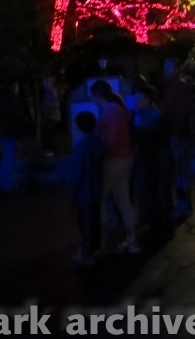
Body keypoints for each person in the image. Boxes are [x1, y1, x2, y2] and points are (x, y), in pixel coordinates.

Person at [90, 80, 139, 254]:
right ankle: (132, 240)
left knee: (99, 197)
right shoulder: (120, 110)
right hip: (126, 158)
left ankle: (104, 239)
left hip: (113, 160)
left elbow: (108, 141)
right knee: (123, 199)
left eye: (92, 96)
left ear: (97, 95)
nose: (92, 100)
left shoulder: (109, 112)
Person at [131, 86, 172, 234]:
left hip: (154, 158)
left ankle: (158, 219)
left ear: (148, 100)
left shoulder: (156, 116)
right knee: (144, 189)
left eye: (139, 99)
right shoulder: (137, 115)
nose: (136, 101)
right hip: (143, 158)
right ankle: (148, 217)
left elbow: (157, 138)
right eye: (135, 98)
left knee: (155, 189)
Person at [160, 59, 193, 220]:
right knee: (179, 170)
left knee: (180, 171)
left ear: (176, 69)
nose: (164, 70)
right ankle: (183, 203)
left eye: (167, 67)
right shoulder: (174, 87)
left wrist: (176, 132)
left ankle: (184, 204)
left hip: (178, 135)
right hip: (175, 134)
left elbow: (181, 111)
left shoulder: (179, 87)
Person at [70, 112, 103, 265]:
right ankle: (93, 249)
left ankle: (87, 253)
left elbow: (78, 172)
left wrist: (74, 193)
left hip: (85, 191)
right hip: (96, 188)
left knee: (85, 223)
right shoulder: (97, 141)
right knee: (94, 221)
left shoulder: (81, 145)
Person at [40, 77, 62, 155]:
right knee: (49, 132)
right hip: (51, 116)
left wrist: (45, 105)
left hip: (52, 116)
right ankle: (51, 150)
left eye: (45, 83)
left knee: (49, 132)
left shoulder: (52, 92)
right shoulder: (49, 92)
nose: (44, 85)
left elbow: (54, 104)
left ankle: (50, 150)